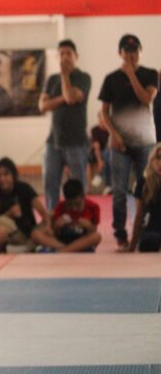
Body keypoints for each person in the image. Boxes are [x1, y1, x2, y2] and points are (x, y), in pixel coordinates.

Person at [98, 34, 158, 249]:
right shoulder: (111, 78)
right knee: (119, 192)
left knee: (147, 190)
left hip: (145, 143)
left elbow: (146, 99)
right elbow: (104, 112)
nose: (131, 55)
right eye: (126, 51)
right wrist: (113, 135)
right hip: (119, 144)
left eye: (134, 51)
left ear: (141, 52)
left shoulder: (150, 74)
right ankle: (121, 235)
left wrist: (131, 74)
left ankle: (145, 232)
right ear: (120, 53)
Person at [38, 39, 91, 211]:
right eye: (61, 54)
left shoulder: (83, 78)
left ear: (76, 56)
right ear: (57, 57)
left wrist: (65, 76)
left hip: (76, 142)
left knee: (78, 186)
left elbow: (70, 97)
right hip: (53, 141)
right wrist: (63, 98)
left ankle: (80, 218)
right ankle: (52, 218)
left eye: (69, 53)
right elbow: (42, 106)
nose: (65, 57)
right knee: (50, 184)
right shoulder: (51, 79)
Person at [0, 157, 51, 253]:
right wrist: (9, 214)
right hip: (7, 235)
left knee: (52, 216)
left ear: (13, 174)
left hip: (28, 232)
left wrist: (48, 227)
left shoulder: (24, 188)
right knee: (1, 224)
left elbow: (43, 213)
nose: (2, 179)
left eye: (6, 174)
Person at [30, 179, 102, 253]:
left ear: (83, 197)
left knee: (97, 237)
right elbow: (54, 232)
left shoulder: (93, 207)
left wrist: (89, 226)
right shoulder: (61, 206)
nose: (74, 208)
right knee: (35, 234)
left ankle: (63, 250)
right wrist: (56, 226)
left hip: (82, 240)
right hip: (62, 241)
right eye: (70, 205)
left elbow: (93, 231)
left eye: (78, 204)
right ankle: (69, 249)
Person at [127, 143, 161, 253]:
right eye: (158, 158)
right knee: (148, 242)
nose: (160, 163)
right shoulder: (143, 182)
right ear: (151, 160)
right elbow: (139, 215)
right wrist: (132, 246)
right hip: (152, 231)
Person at [88, 111, 112, 193]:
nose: (102, 121)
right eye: (101, 118)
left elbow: (110, 145)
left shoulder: (110, 130)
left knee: (107, 154)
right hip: (96, 153)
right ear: (98, 119)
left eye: (104, 118)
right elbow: (96, 146)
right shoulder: (95, 129)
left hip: (109, 153)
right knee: (107, 155)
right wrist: (99, 161)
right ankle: (108, 185)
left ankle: (100, 175)